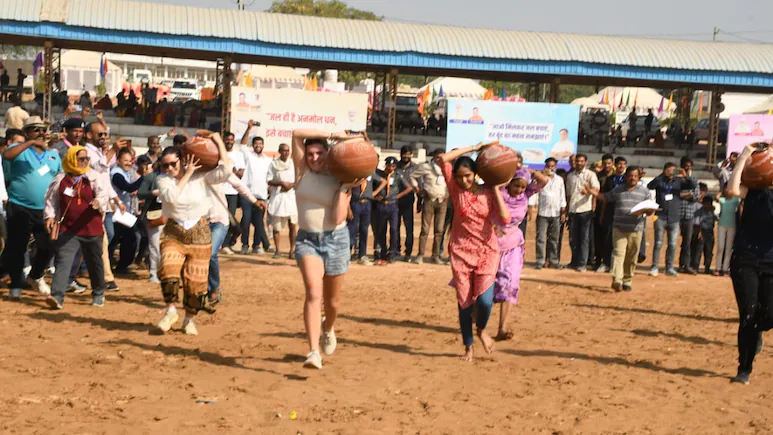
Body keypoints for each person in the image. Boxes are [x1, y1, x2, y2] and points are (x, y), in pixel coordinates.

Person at [290, 129, 364, 369]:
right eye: (310, 153)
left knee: (332, 302)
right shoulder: (301, 171)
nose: (314, 157)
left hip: (336, 238)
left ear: (328, 153)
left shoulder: (339, 175)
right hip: (307, 241)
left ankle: (329, 329)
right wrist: (332, 134)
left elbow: (338, 217)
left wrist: (343, 191)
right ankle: (313, 352)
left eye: (319, 152)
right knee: (313, 293)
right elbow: (296, 134)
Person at [437, 143, 510, 362]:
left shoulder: (489, 192)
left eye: (467, 176)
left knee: (486, 302)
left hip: (487, 252)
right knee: (465, 303)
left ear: (475, 174)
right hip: (460, 253)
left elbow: (505, 219)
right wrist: (474, 147)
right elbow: (442, 159)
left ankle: (481, 330)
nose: (463, 181)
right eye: (459, 176)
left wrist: (496, 188)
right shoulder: (455, 189)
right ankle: (469, 346)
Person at [155, 134, 233, 335]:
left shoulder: (203, 176)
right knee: (168, 271)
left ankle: (189, 319)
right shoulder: (163, 180)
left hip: (199, 231)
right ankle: (171, 310)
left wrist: (218, 140)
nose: (170, 169)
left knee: (196, 282)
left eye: (173, 164)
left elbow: (225, 171)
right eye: (165, 166)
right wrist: (187, 174)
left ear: (183, 159)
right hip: (174, 230)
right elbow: (170, 198)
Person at [723, 143, 773, 384]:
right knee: (748, 315)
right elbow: (732, 190)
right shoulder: (753, 190)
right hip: (746, 259)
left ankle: (760, 328)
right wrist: (744, 155)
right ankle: (744, 368)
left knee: (768, 314)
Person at [3, 116, 62, 300]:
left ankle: (36, 276)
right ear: (27, 132)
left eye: (43, 129)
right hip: (20, 206)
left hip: (45, 210)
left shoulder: (53, 155)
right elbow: (7, 155)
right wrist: (30, 143)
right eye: (36, 129)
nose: (41, 133)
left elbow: (59, 179)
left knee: (48, 246)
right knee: (17, 247)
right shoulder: (19, 149)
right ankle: (16, 284)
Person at [43, 146, 109, 309]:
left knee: (94, 262)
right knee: (63, 261)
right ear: (72, 159)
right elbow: (51, 200)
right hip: (69, 229)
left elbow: (104, 193)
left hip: (92, 229)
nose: (84, 162)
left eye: (87, 159)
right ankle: (57, 296)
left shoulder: (92, 176)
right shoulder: (61, 178)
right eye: (81, 159)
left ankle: (99, 292)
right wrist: (50, 216)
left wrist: (99, 201)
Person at [494, 168, 546, 341]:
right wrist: (510, 172)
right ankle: (475, 315)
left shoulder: (525, 196)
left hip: (514, 245)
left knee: (511, 283)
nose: (519, 190)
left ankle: (503, 326)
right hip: (493, 243)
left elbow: (543, 181)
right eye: (516, 185)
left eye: (523, 187)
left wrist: (527, 170)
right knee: (487, 283)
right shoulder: (499, 193)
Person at [207, 169, 264, 306]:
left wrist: (254, 200)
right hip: (198, 221)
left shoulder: (219, 170)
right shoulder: (191, 172)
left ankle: (213, 287)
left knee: (211, 253)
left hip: (219, 219)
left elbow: (238, 185)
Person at [589, 166, 651, 291]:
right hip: (619, 228)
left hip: (636, 228)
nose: (632, 178)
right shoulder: (618, 190)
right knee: (618, 253)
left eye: (634, 176)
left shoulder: (645, 192)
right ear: (626, 177)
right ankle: (617, 280)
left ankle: (627, 280)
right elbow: (606, 197)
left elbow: (649, 210)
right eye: (630, 175)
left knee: (631, 257)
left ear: (639, 177)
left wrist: (649, 211)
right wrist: (592, 192)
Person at [84, 121, 125, 292]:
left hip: (100, 204)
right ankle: (105, 278)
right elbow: (99, 166)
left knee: (100, 241)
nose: (103, 137)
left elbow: (104, 180)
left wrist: (116, 199)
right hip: (89, 203)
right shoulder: (86, 152)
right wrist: (114, 150)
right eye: (100, 134)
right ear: (89, 135)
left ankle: (105, 277)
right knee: (96, 242)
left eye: (105, 135)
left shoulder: (100, 153)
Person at [647, 162, 696, 277]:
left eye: (674, 170)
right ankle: (654, 267)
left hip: (674, 218)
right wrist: (661, 175)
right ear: (664, 170)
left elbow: (693, 185)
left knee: (672, 244)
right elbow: (650, 185)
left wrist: (685, 175)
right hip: (660, 216)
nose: (671, 173)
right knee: (658, 243)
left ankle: (669, 267)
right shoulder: (660, 181)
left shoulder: (679, 182)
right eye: (669, 170)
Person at [410, 148, 449, 264]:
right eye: (438, 157)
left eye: (442, 157)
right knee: (425, 229)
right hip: (429, 199)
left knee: (439, 229)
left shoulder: (447, 168)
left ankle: (435, 255)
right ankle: (420, 254)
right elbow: (412, 175)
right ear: (434, 157)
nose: (440, 159)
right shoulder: (426, 167)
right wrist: (416, 188)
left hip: (443, 200)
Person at [372, 156, 413, 265]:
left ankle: (392, 253)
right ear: (385, 165)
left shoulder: (398, 175)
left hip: (393, 205)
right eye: (389, 165)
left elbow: (409, 187)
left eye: (393, 166)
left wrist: (398, 196)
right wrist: (375, 196)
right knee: (381, 230)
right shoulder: (380, 175)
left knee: (394, 229)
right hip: (381, 205)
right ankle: (383, 253)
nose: (391, 168)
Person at [110, 148, 143, 274]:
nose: (129, 163)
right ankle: (119, 265)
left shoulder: (125, 172)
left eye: (130, 161)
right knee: (124, 238)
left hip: (123, 213)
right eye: (126, 160)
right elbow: (128, 188)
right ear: (118, 161)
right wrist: (143, 178)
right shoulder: (116, 174)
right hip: (116, 213)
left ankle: (121, 265)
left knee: (123, 239)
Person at [240, 122, 271, 254]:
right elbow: (242, 145)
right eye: (256, 144)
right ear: (253, 145)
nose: (258, 146)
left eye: (260, 144)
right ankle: (245, 245)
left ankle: (256, 246)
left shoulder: (268, 160)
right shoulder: (249, 157)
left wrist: (268, 196)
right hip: (248, 195)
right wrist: (249, 128)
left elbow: (270, 178)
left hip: (261, 195)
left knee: (259, 222)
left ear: (263, 145)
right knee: (246, 220)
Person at [565, 154, 599, 272]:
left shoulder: (590, 174)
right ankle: (574, 261)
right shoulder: (570, 176)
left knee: (584, 238)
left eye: (581, 161)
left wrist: (588, 191)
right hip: (573, 210)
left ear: (585, 162)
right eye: (577, 161)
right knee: (573, 238)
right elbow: (569, 195)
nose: (579, 163)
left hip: (585, 210)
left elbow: (596, 190)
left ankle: (582, 263)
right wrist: (567, 210)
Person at [266, 143, 298, 259]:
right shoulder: (273, 164)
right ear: (279, 151)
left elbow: (299, 179)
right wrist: (281, 183)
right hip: (278, 197)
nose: (286, 152)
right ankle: (278, 250)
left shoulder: (293, 164)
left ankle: (292, 250)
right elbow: (269, 180)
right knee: (276, 227)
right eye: (283, 150)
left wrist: (291, 185)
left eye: (287, 150)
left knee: (292, 225)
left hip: (291, 197)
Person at [596, 156, 627, 272]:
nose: (621, 166)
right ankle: (606, 263)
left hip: (623, 211)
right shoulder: (610, 179)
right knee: (607, 237)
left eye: (624, 164)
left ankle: (619, 264)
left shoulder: (627, 179)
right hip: (610, 210)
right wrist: (602, 214)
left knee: (622, 238)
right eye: (619, 164)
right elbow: (605, 197)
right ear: (615, 164)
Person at [535, 157, 566, 269]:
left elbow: (562, 195)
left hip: (556, 212)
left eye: (552, 166)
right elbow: (535, 192)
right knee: (541, 238)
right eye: (548, 166)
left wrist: (563, 211)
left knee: (554, 238)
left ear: (555, 167)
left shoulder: (559, 180)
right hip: (543, 212)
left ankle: (553, 260)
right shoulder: (540, 178)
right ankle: (540, 260)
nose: (550, 168)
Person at [137, 154, 162, 283]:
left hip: (172, 213)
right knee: (154, 244)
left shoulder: (176, 177)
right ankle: (154, 272)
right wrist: (152, 193)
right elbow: (140, 193)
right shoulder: (151, 177)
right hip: (154, 213)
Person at [347, 170, 380, 266]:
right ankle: (347, 254)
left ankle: (362, 255)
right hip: (355, 203)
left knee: (364, 230)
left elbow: (383, 181)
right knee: (352, 229)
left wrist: (374, 193)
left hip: (367, 203)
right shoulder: (353, 174)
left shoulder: (371, 174)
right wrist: (348, 207)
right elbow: (347, 190)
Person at [222, 131, 245, 254]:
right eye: (227, 139)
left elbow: (240, 174)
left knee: (230, 219)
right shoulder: (219, 153)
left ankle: (227, 243)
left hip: (232, 192)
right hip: (219, 191)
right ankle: (222, 243)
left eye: (231, 140)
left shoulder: (238, 155)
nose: (229, 142)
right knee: (219, 218)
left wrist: (233, 171)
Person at [396, 146, 418, 262]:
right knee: (395, 227)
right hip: (395, 201)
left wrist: (420, 201)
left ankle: (408, 252)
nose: (406, 156)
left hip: (409, 201)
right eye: (404, 154)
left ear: (411, 155)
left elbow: (420, 184)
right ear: (400, 154)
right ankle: (396, 250)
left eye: (408, 154)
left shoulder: (415, 168)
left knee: (409, 229)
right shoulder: (395, 166)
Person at [678, 158, 700, 274]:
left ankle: (685, 265)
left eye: (689, 166)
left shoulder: (695, 180)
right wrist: (688, 194)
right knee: (671, 242)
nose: (687, 168)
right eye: (685, 166)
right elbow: (675, 194)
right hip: (676, 213)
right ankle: (670, 265)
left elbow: (696, 196)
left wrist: (683, 195)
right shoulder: (676, 180)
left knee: (687, 242)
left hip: (689, 214)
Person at [714, 190, 740, 277]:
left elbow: (742, 197)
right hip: (722, 225)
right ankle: (718, 268)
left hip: (732, 226)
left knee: (729, 248)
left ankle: (725, 269)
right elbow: (716, 197)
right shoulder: (722, 200)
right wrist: (722, 190)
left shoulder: (735, 200)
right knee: (720, 247)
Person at [690, 195, 717, 274]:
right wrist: (700, 232)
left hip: (710, 232)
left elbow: (716, 218)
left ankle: (707, 267)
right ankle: (696, 267)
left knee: (709, 251)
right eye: (706, 203)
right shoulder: (700, 211)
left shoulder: (712, 211)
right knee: (699, 250)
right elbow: (698, 222)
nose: (707, 205)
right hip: (702, 231)